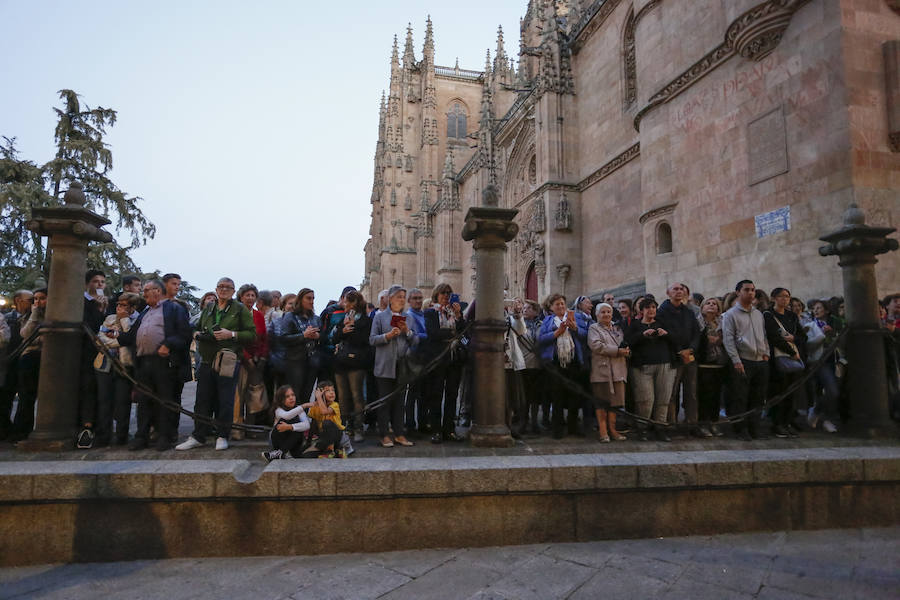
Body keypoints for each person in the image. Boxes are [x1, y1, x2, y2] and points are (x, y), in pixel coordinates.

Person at [176, 277, 256, 451]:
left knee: (225, 400)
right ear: (216, 289)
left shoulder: (240, 309)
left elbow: (251, 335)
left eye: (228, 287)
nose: (224, 290)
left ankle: (222, 435)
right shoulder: (209, 308)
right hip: (207, 359)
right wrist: (197, 334)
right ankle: (198, 435)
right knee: (202, 400)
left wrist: (232, 334)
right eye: (221, 287)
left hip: (228, 359)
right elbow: (198, 326)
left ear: (234, 291)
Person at [116, 280, 192, 451]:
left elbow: (184, 334)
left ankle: (164, 436)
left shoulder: (174, 309)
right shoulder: (145, 312)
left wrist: (168, 344)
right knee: (143, 400)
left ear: (158, 291)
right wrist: (118, 333)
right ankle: (141, 436)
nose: (143, 294)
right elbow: (132, 335)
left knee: (165, 400)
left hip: (164, 363)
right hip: (143, 362)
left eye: (147, 291)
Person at [722, 280, 770, 441]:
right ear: (738, 292)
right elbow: (728, 339)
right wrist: (736, 360)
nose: (751, 293)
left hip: (760, 360)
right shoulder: (730, 315)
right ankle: (740, 428)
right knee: (740, 396)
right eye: (747, 290)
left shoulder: (758, 314)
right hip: (743, 359)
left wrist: (766, 353)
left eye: (753, 290)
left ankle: (754, 427)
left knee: (758, 396)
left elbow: (763, 335)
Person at [370, 285, 417, 448]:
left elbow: (415, 340)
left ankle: (399, 434)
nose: (402, 299)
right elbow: (372, 339)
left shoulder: (408, 317)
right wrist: (387, 336)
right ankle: (384, 435)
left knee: (399, 402)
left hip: (401, 365)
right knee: (384, 402)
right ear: (390, 299)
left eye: (404, 296)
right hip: (384, 365)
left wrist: (407, 332)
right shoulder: (380, 317)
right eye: (399, 296)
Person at [624, 297, 676, 441]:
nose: (651, 310)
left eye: (653, 307)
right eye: (648, 307)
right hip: (642, 367)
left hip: (665, 364)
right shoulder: (635, 325)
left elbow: (677, 340)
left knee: (663, 399)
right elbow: (628, 341)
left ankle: (660, 428)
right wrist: (642, 335)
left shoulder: (663, 323)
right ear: (641, 310)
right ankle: (643, 428)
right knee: (645, 400)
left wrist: (666, 334)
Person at [538, 293, 589, 439]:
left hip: (573, 362)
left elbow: (586, 336)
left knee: (574, 395)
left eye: (562, 303)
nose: (560, 306)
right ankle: (557, 428)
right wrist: (557, 332)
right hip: (555, 363)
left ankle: (573, 426)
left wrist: (575, 329)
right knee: (557, 396)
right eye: (557, 304)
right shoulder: (547, 321)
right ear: (551, 308)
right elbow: (541, 339)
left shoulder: (576, 318)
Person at [656, 283, 704, 436]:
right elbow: (663, 334)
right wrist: (679, 350)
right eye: (675, 289)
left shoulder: (689, 312)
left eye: (681, 289)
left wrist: (691, 349)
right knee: (671, 393)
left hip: (689, 356)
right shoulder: (661, 312)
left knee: (692, 392)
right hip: (672, 357)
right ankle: (671, 424)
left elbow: (697, 333)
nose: (679, 291)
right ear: (668, 292)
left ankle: (692, 423)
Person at [95, 292, 140, 446]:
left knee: (123, 401)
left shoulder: (138, 319)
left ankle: (122, 435)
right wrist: (118, 341)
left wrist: (124, 320)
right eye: (118, 305)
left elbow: (130, 337)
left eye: (124, 305)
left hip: (125, 364)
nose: (120, 308)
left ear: (132, 307)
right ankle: (104, 435)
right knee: (104, 400)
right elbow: (101, 337)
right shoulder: (109, 318)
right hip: (106, 363)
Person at [423, 283, 465, 443]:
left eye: (449, 293)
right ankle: (436, 430)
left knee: (452, 395)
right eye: (443, 293)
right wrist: (452, 332)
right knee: (436, 394)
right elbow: (433, 333)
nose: (446, 296)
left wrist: (459, 315)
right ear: (436, 295)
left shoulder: (453, 313)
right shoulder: (430, 312)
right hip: (438, 358)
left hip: (454, 358)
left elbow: (463, 330)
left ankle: (449, 429)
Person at [764, 287, 807, 438]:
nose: (785, 299)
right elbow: (774, 337)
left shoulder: (792, 316)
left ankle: (787, 422)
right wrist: (792, 352)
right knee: (778, 391)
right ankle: (777, 423)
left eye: (787, 296)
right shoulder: (768, 315)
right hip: (777, 359)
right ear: (773, 298)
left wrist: (793, 339)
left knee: (791, 392)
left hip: (793, 359)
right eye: (781, 296)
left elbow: (803, 336)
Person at [332, 290, 373, 442]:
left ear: (355, 303)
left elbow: (363, 341)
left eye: (348, 302)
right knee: (342, 397)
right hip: (341, 363)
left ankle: (358, 427)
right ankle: (345, 427)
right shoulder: (343, 318)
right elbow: (334, 339)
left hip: (356, 362)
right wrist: (343, 330)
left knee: (357, 396)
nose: (345, 304)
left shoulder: (365, 321)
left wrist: (352, 328)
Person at [231, 284, 269, 438]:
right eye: (247, 295)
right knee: (238, 395)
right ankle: (237, 430)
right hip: (241, 359)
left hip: (257, 359)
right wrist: (247, 358)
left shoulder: (258, 315)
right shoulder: (236, 314)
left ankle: (251, 427)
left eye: (253, 295)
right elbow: (237, 338)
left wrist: (262, 357)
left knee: (255, 395)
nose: (250, 298)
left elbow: (264, 338)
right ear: (241, 296)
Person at [588, 303, 629, 442]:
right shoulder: (593, 328)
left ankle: (613, 429)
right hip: (602, 371)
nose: (606, 314)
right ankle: (603, 430)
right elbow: (596, 346)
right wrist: (617, 351)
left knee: (616, 402)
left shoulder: (617, 327)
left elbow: (624, 343)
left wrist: (626, 350)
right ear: (597, 315)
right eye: (603, 312)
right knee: (601, 402)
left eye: (608, 312)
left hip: (618, 370)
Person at [76, 270, 108, 449]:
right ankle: (86, 427)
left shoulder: (103, 303)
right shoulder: (83, 302)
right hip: (85, 352)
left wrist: (103, 309)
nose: (100, 285)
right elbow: (89, 325)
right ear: (88, 283)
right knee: (87, 388)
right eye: (96, 281)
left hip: (101, 353)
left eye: (102, 282)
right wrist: (97, 309)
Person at [9, 289, 45, 441]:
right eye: (34, 299)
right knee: (26, 396)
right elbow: (25, 334)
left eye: (41, 298)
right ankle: (21, 432)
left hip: (47, 358)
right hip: (29, 357)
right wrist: (35, 314)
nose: (37, 302)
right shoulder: (30, 316)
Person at [278, 288, 322, 406]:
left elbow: (324, 337)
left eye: (313, 298)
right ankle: (293, 422)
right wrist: (303, 335)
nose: (311, 301)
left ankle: (304, 421)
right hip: (295, 361)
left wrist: (318, 336)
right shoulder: (290, 317)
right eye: (308, 298)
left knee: (307, 394)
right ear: (300, 300)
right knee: (294, 395)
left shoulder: (315, 318)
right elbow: (283, 338)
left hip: (312, 361)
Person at [0, 290, 32, 440]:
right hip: (8, 362)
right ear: (19, 300)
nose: (32, 302)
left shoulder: (32, 318)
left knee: (25, 396)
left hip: (25, 361)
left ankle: (20, 430)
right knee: (5, 395)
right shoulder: (7, 318)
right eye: (29, 299)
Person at [803, 300, 840, 433]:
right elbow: (808, 345)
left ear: (827, 310)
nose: (816, 311)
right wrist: (822, 336)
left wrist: (832, 334)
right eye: (814, 309)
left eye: (819, 308)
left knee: (834, 392)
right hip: (819, 362)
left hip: (834, 361)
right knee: (830, 390)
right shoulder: (810, 326)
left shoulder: (835, 323)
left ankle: (821, 414)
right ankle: (819, 413)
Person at [696, 297, 728, 436]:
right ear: (702, 307)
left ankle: (714, 422)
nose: (711, 306)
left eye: (714, 304)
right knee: (704, 395)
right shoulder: (698, 323)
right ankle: (703, 424)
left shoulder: (723, 323)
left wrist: (720, 339)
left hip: (719, 363)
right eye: (708, 303)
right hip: (703, 363)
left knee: (716, 395)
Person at [263, 385, 311, 461]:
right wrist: (304, 406)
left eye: (293, 395)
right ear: (281, 399)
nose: (291, 398)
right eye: (287, 396)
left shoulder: (299, 409)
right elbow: (287, 416)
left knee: (297, 428)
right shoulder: (278, 410)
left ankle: (281, 453)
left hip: (294, 444)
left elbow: (307, 425)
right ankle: (280, 452)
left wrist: (290, 427)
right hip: (278, 441)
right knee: (288, 421)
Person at [404, 288, 429, 433]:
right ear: (409, 301)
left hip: (423, 356)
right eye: (415, 298)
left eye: (420, 298)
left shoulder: (423, 315)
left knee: (423, 392)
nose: (418, 301)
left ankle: (422, 422)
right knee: (413, 392)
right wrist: (427, 336)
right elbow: (412, 336)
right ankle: (410, 424)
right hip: (413, 357)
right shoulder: (409, 316)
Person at [520, 300, 547, 433]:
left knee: (535, 395)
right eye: (524, 308)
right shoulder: (518, 325)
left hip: (537, 364)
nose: (525, 310)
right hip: (523, 363)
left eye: (529, 308)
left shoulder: (541, 325)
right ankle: (524, 421)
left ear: (536, 312)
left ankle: (535, 422)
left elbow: (541, 341)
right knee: (524, 395)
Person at [303, 380, 346, 458]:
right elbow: (313, 425)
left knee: (326, 423)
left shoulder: (334, 405)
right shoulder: (315, 407)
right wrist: (308, 442)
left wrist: (319, 397)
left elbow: (324, 411)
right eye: (328, 391)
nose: (332, 393)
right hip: (324, 437)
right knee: (306, 455)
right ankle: (333, 452)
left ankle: (332, 449)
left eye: (333, 390)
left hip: (337, 436)